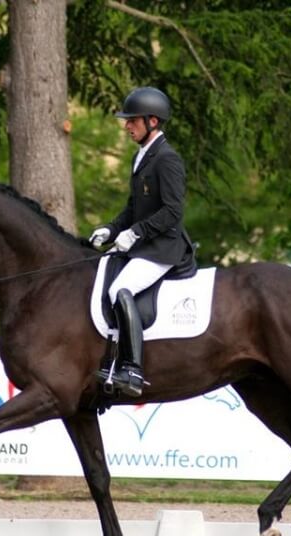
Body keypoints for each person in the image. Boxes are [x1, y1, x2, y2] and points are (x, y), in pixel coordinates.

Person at [89, 86, 196, 397]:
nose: (127, 126)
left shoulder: (167, 158)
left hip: (163, 248)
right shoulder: (141, 157)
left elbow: (173, 211)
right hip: (145, 245)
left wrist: (136, 233)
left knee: (119, 290)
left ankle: (133, 369)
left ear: (152, 121)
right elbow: (133, 209)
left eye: (132, 120)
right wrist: (110, 230)